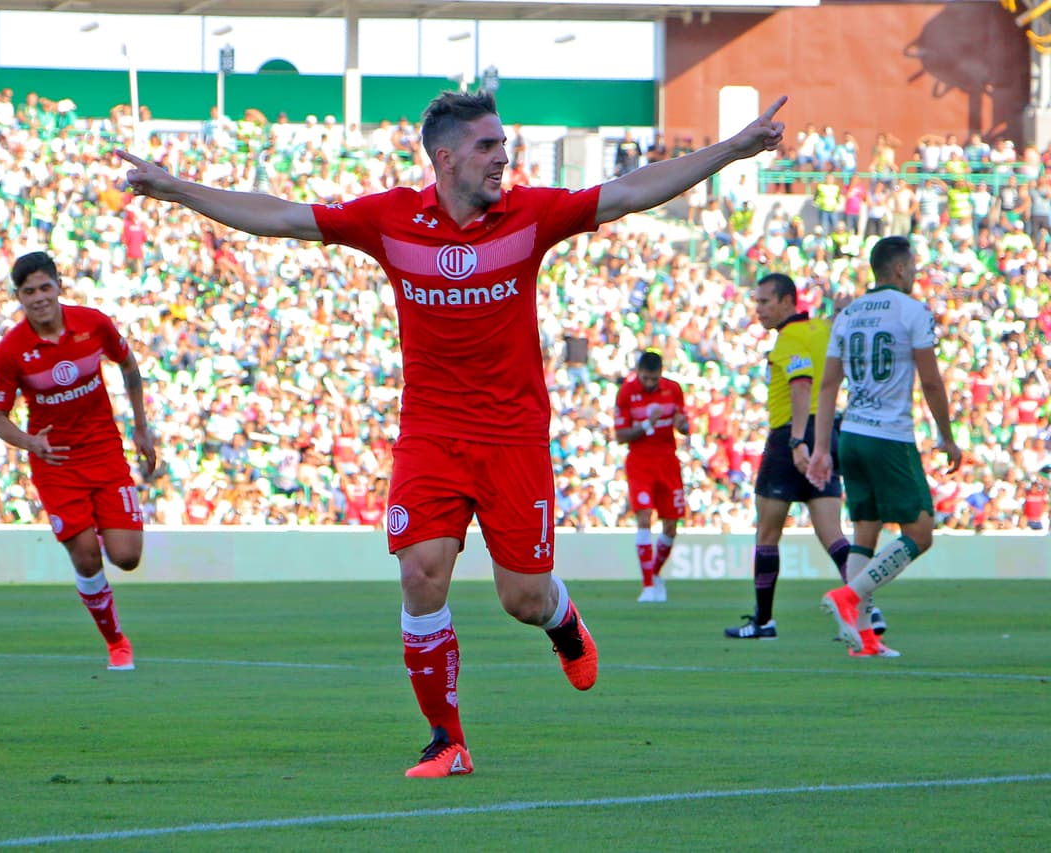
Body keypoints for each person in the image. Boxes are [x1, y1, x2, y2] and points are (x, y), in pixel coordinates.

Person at [118, 90, 787, 777]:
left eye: (503, 144)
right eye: (487, 146)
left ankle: (560, 620)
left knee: (521, 597)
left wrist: (734, 148)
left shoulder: (532, 215)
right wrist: (175, 188)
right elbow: (282, 216)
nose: (504, 157)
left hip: (512, 437)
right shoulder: (390, 219)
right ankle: (448, 739)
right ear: (445, 158)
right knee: (420, 574)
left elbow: (629, 191)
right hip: (431, 434)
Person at [0, 251, 157, 671]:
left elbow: (128, 365)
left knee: (127, 557)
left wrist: (141, 426)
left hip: (103, 451)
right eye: (29, 292)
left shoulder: (92, 324)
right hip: (56, 462)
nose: (40, 298)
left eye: (46, 287)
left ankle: (99, 523)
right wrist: (31, 442)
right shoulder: (11, 351)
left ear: (59, 286)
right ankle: (116, 642)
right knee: (85, 558)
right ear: (19, 297)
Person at [808, 236, 962, 657]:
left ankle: (865, 639)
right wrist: (946, 436)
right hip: (889, 435)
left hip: (852, 435)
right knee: (921, 531)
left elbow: (827, 385)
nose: (914, 273)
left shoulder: (849, 313)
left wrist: (823, 447)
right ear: (898, 269)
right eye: (912, 266)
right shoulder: (912, 311)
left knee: (865, 530)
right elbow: (931, 380)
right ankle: (849, 596)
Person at [724, 273, 879, 640]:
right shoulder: (822, 331)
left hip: (790, 436)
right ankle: (867, 609)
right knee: (833, 535)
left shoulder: (788, 339)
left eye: (765, 302)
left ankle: (763, 621)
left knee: (767, 532)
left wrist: (796, 442)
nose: (758, 310)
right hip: (827, 432)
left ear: (788, 301)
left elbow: (801, 383)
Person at [613, 348, 690, 602]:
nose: (649, 383)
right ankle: (647, 585)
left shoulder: (674, 390)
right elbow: (620, 436)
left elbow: (683, 424)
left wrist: (683, 426)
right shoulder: (626, 392)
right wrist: (648, 423)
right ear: (638, 374)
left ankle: (655, 574)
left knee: (671, 525)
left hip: (668, 462)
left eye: (653, 379)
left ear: (660, 375)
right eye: (645, 378)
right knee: (644, 517)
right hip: (640, 462)